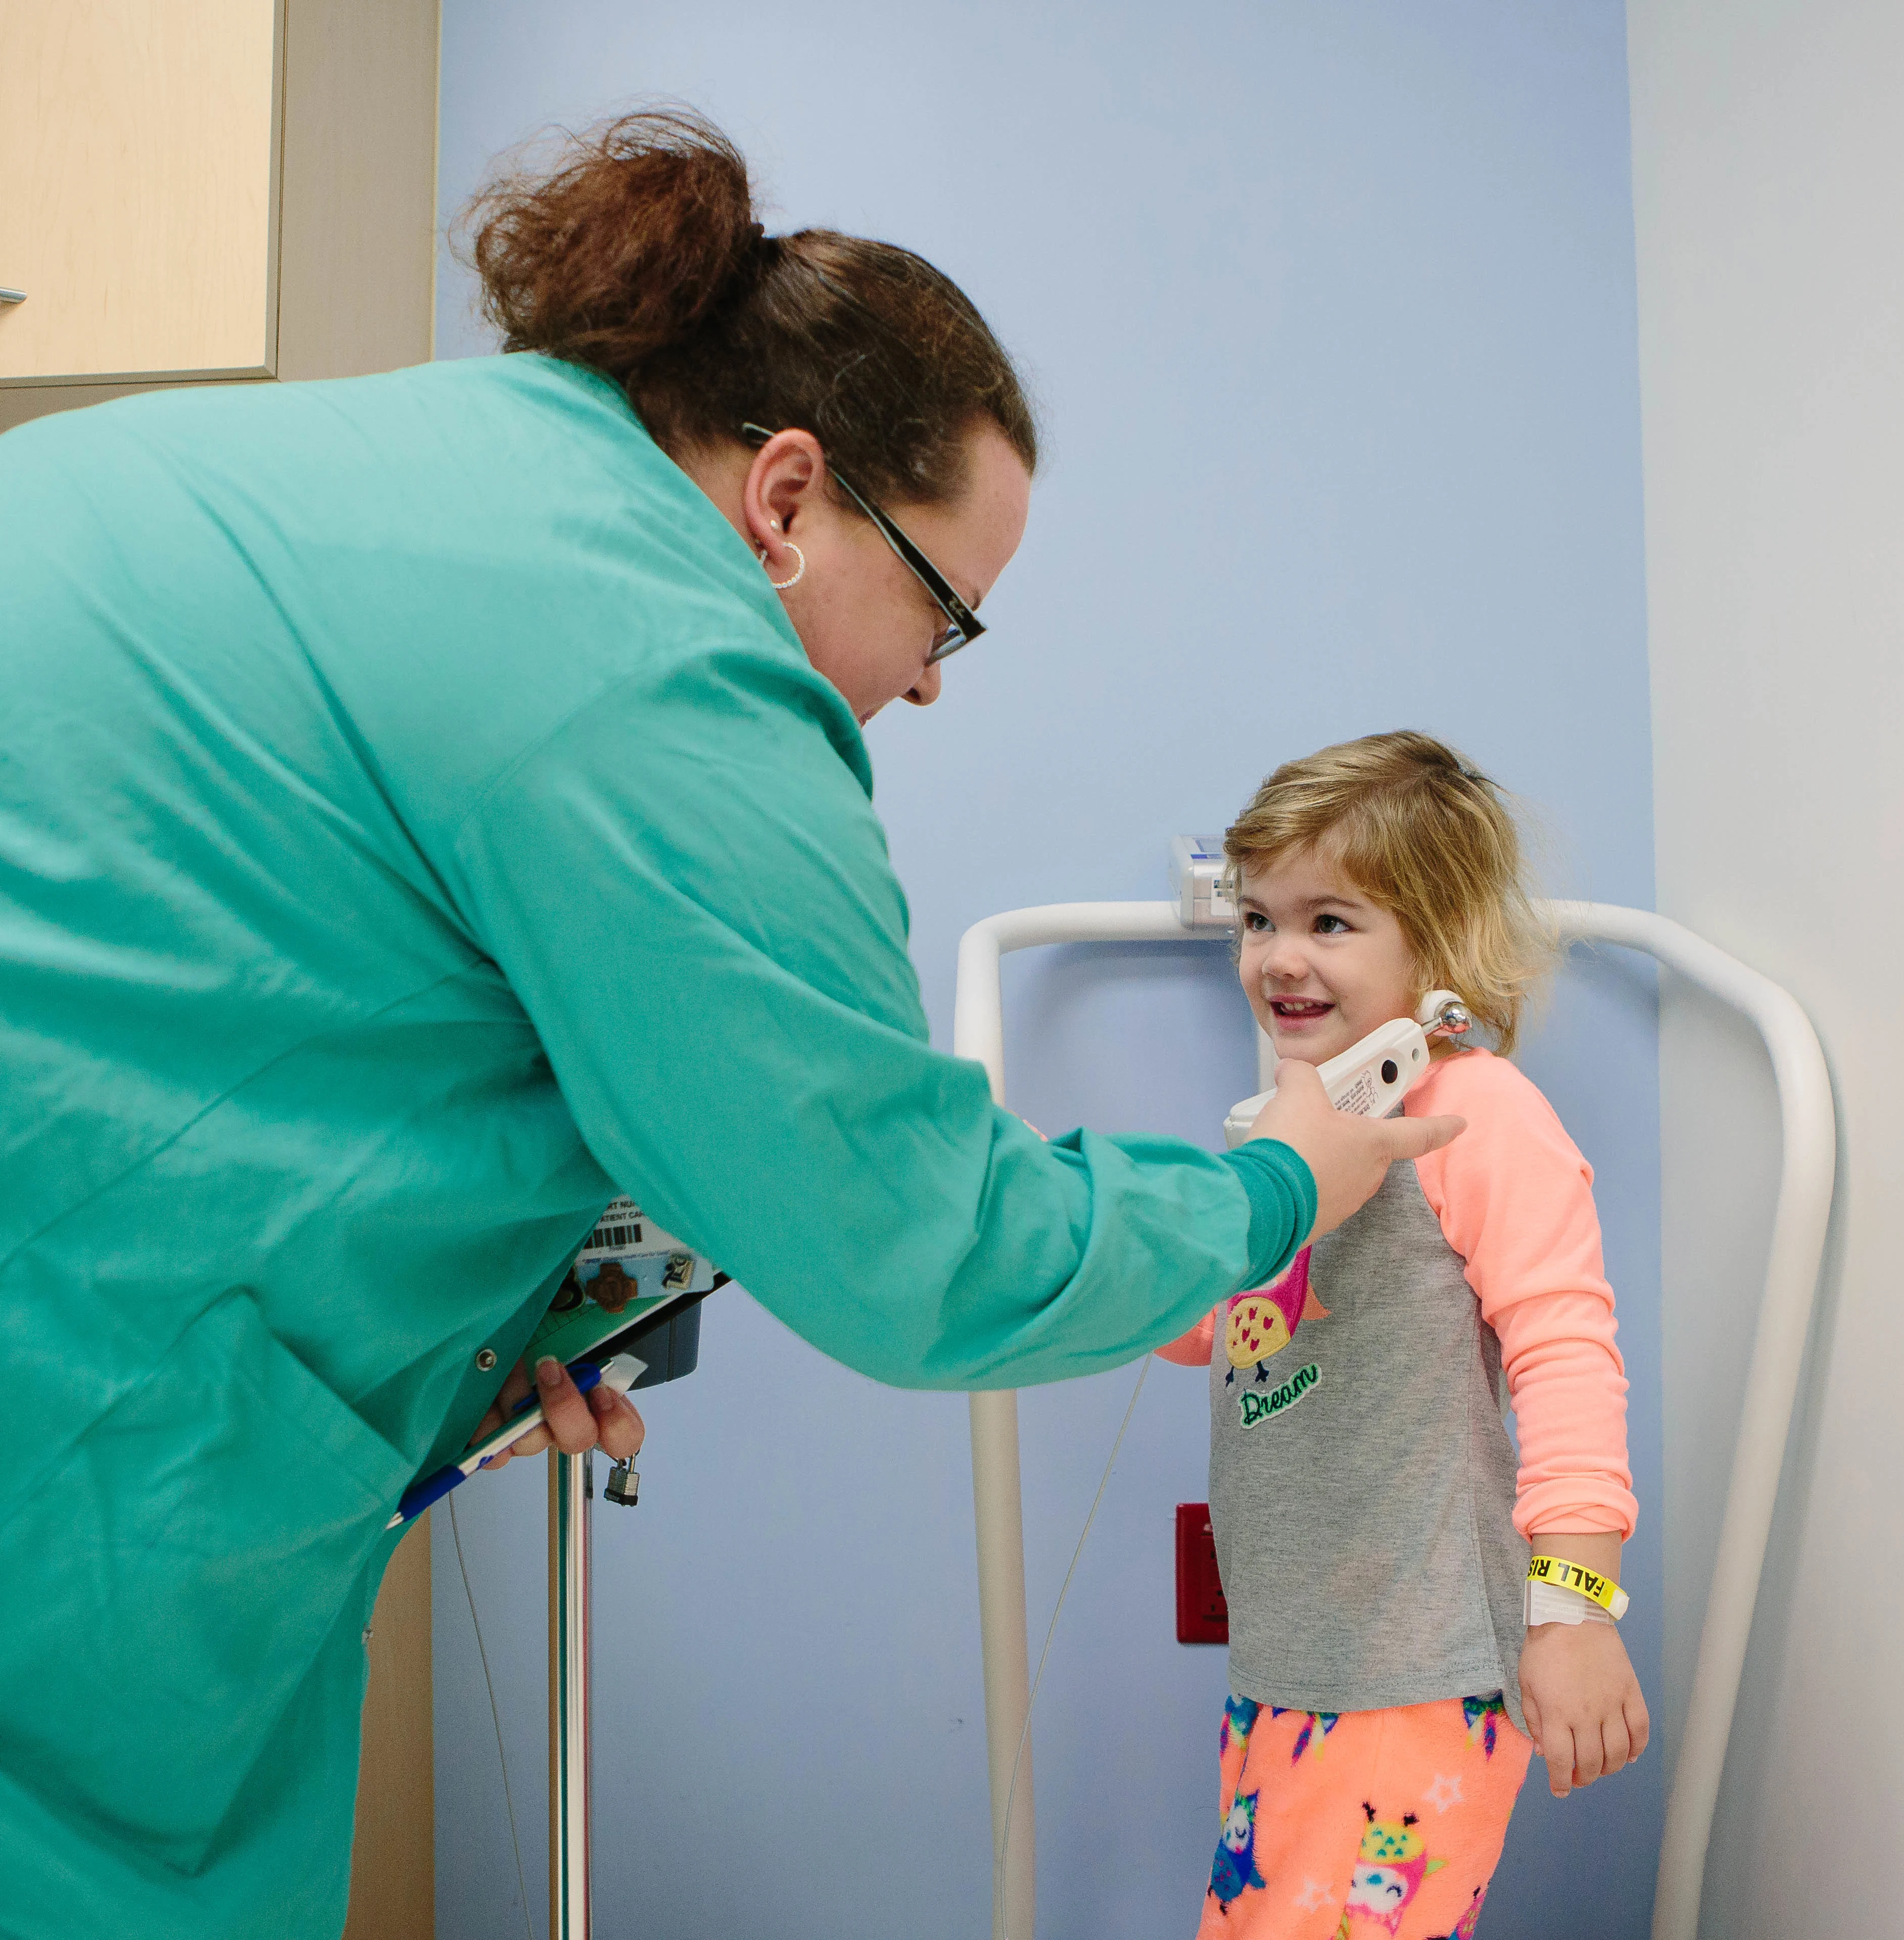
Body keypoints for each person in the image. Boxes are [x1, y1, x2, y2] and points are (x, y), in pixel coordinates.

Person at [0, 112, 1461, 1939]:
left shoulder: (446, 466)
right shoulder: (655, 655)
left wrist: (481, 1333)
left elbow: (278, 991)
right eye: (947, 614)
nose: (926, 682)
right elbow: (920, 1249)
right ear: (785, 497)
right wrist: (1277, 1188)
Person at [1157, 734, 1648, 1938]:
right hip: (1294, 1660)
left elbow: (1567, 1357)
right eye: (1257, 919)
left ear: (1439, 940)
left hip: (1416, 1668)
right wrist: (1177, 1235)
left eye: (1331, 922)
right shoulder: (1294, 1130)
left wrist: (1573, 1613)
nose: (1279, 957)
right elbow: (1223, 1335)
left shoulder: (1478, 1115)